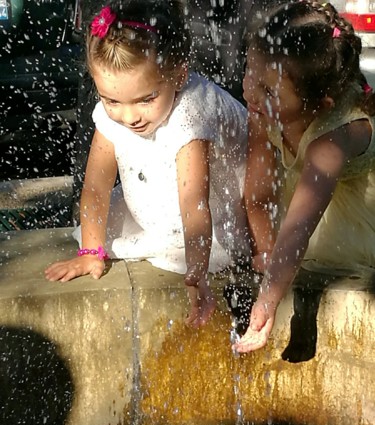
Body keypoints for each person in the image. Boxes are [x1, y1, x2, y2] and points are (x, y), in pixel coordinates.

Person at [45, 0, 251, 328]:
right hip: (177, 195)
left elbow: (194, 203)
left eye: (145, 99)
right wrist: (91, 253)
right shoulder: (116, 110)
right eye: (111, 100)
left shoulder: (190, 113)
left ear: (179, 74)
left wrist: (197, 275)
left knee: (189, 251)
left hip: (229, 206)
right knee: (96, 231)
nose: (129, 117)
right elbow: (96, 186)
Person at [235, 0, 375, 353]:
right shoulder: (262, 113)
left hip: (362, 246)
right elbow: (258, 193)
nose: (251, 92)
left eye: (268, 91)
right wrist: (265, 253)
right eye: (250, 71)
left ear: (321, 104)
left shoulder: (335, 136)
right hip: (316, 245)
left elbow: (298, 226)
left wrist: (267, 301)